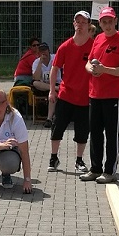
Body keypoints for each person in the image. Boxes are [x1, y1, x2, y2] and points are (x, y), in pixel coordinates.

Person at [80, 5, 119, 184]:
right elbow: (88, 63)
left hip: (112, 95)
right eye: (104, 22)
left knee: (111, 134)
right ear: (99, 23)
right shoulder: (98, 38)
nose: (107, 25)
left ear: (115, 21)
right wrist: (92, 70)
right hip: (95, 93)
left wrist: (104, 70)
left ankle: (109, 171)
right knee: (94, 133)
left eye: (110, 21)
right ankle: (95, 168)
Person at [49, 12, 93, 173]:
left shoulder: (94, 46)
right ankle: (53, 158)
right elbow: (54, 69)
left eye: (83, 22)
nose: (80, 25)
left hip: (85, 97)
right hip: (66, 95)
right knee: (57, 127)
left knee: (82, 132)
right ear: (73, 23)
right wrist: (52, 91)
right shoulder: (65, 46)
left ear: (89, 24)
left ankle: (79, 160)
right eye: (77, 21)